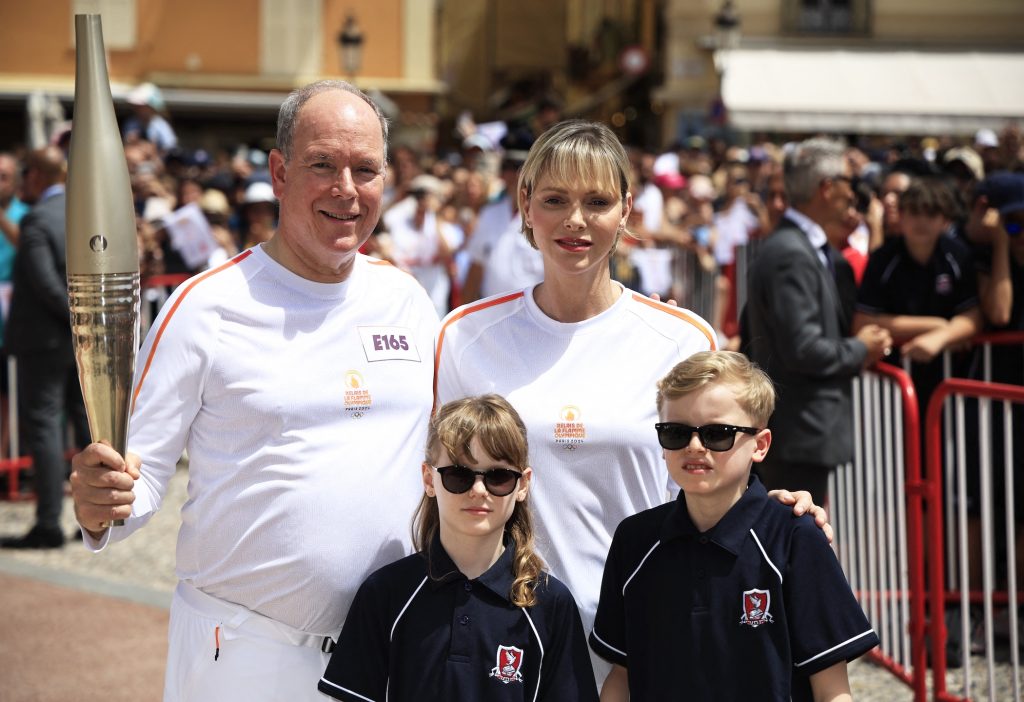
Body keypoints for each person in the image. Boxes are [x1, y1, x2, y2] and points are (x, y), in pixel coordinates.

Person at [69, 81, 439, 701]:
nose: (346, 189)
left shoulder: (406, 301)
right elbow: (143, 474)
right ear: (280, 173)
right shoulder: (205, 306)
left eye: (365, 169)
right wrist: (101, 501)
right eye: (322, 164)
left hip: (381, 654)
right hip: (241, 653)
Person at [435, 120, 830, 682]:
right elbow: (438, 486)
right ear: (526, 206)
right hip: (507, 641)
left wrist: (781, 514)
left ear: (625, 210)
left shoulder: (681, 338)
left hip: (650, 632)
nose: (575, 220)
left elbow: (716, 474)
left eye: (596, 201)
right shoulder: (465, 335)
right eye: (554, 199)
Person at [590, 351, 878, 701]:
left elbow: (832, 690)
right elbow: (622, 677)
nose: (695, 447)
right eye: (676, 432)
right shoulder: (634, 541)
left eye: (717, 434)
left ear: (760, 445)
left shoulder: (796, 538)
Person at [319, 395, 598, 701]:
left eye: (499, 477)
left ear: (522, 485)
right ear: (428, 479)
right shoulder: (386, 593)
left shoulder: (550, 604)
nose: (478, 491)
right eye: (458, 475)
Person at [743, 137, 892, 507]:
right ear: (827, 188)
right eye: (849, 182)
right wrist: (862, 348)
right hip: (797, 431)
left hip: (800, 432)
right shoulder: (791, 252)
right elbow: (804, 347)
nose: (853, 194)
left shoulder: (805, 248)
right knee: (793, 544)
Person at [2, 146, 89, 548]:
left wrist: (72, 315)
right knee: (86, 426)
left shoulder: (39, 218)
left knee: (45, 427)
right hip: (80, 340)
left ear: (36, 176)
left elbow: (43, 281)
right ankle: (99, 521)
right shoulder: (84, 211)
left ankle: (49, 523)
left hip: (45, 340)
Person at [854, 177, 982, 412]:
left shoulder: (958, 256)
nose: (921, 221)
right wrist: (935, 326)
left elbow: (972, 316)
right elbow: (863, 321)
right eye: (914, 212)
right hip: (891, 387)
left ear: (945, 220)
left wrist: (939, 339)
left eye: (931, 214)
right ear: (900, 216)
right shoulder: (883, 259)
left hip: (951, 386)